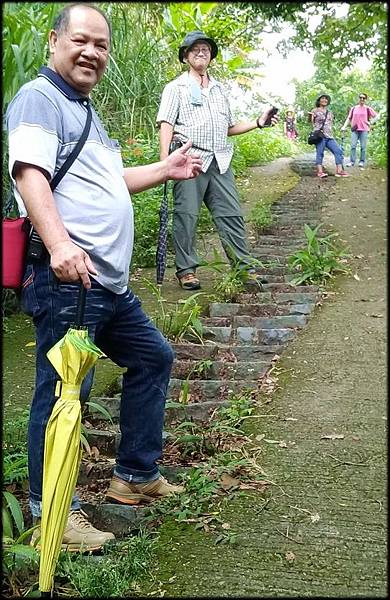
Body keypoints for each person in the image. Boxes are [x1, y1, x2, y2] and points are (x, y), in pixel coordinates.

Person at [6, 3, 203, 552]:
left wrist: (164, 169)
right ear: (54, 41)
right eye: (81, 40)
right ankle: (51, 514)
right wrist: (61, 242)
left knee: (152, 356)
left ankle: (135, 476)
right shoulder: (40, 99)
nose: (92, 51)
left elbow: (108, 180)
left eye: (102, 44)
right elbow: (30, 174)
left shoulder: (82, 109)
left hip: (106, 286)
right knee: (65, 392)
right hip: (68, 279)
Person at [156, 30, 279, 291]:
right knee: (186, 216)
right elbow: (166, 123)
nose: (201, 52)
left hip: (220, 161)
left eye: (206, 50)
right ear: (186, 56)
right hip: (190, 160)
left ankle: (244, 268)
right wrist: (164, 163)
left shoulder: (219, 89)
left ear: (211, 57)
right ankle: (186, 270)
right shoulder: (174, 88)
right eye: (195, 49)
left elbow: (229, 127)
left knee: (231, 215)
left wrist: (258, 123)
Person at [310, 94, 349, 179]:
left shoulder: (330, 112)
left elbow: (330, 124)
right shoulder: (315, 110)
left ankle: (339, 171)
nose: (324, 100)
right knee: (320, 153)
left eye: (326, 99)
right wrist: (311, 118)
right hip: (320, 135)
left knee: (338, 151)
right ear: (319, 100)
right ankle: (320, 172)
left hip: (329, 136)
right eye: (322, 98)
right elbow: (311, 122)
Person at [341, 92, 378, 169]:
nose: (362, 99)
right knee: (353, 146)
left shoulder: (368, 108)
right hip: (355, 129)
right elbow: (349, 118)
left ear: (365, 99)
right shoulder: (354, 108)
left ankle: (362, 161)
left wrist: (370, 122)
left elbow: (377, 116)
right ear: (358, 98)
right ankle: (352, 161)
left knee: (363, 147)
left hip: (364, 129)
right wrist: (344, 127)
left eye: (363, 98)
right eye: (360, 97)